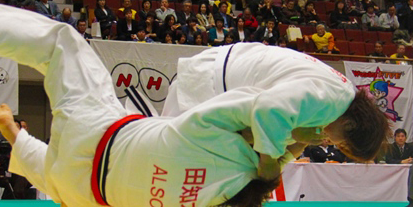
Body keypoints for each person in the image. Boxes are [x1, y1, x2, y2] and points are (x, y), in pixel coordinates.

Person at [0, 4, 302, 207]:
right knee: (56, 177)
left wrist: (298, 115)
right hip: (87, 189)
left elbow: (253, 105)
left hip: (96, 130)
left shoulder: (211, 136)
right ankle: (19, 140)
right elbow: (264, 175)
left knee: (65, 45)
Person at [161, 37, 389, 168]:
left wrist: (296, 143)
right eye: (342, 145)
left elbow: (260, 127)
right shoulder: (329, 102)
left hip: (224, 74)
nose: (331, 143)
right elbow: (266, 108)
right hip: (209, 83)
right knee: (163, 159)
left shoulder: (340, 97)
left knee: (231, 173)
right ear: (349, 125)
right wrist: (268, 163)